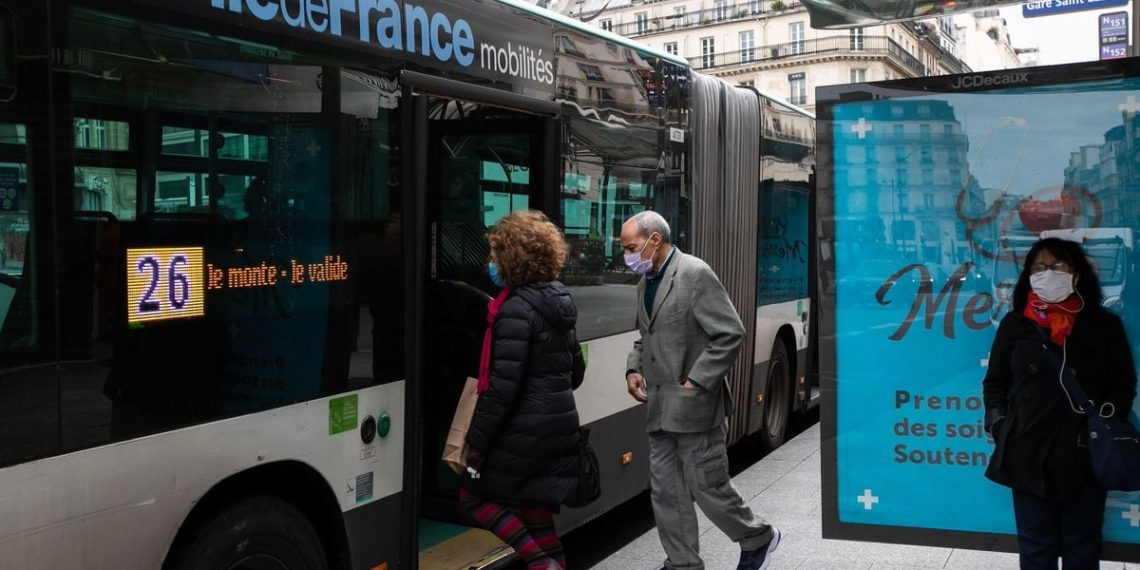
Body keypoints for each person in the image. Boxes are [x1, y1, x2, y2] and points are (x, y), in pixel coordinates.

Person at [621, 210, 779, 570]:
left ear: (654, 240)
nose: (626, 255)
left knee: (708, 487)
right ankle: (682, 563)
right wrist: (633, 367)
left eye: (631, 247)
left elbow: (730, 332)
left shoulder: (694, 273)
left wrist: (696, 381)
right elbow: (645, 337)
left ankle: (758, 538)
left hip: (695, 407)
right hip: (659, 407)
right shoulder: (645, 283)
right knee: (665, 492)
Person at [983, 237, 1137, 570]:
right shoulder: (1016, 324)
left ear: (1076, 275)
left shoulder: (1104, 326)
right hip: (1027, 450)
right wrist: (999, 424)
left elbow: (1123, 383)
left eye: (1057, 266)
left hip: (1083, 451)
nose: (1047, 274)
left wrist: (1105, 423)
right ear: (1028, 276)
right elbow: (995, 383)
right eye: (1039, 267)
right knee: (1035, 548)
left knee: (1082, 547)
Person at [462, 210, 586, 570]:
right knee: (536, 515)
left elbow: (502, 389)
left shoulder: (514, 309)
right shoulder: (559, 300)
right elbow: (575, 372)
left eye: (496, 254)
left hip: (524, 433)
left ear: (513, 258)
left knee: (473, 495)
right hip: (558, 429)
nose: (491, 263)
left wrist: (477, 444)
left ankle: (540, 565)